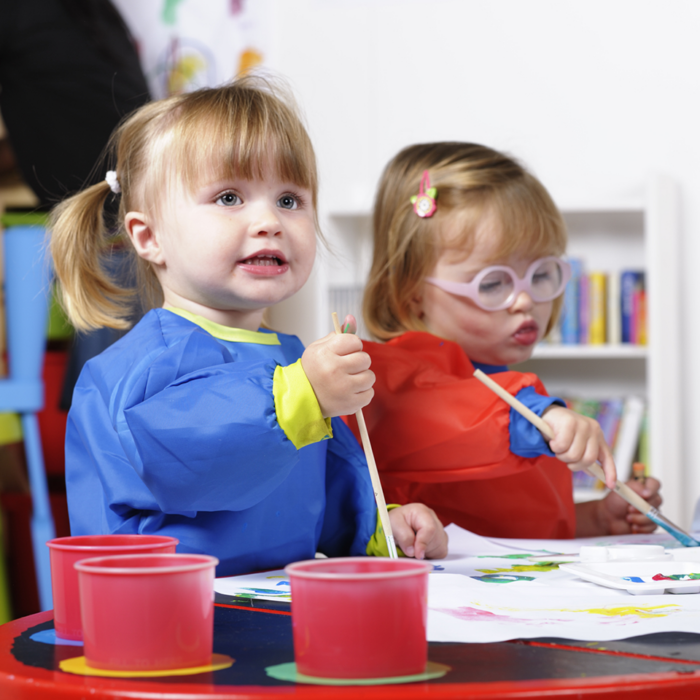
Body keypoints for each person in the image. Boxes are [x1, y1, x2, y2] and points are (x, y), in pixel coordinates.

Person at [48, 78, 448, 576]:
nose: (269, 221)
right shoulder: (145, 363)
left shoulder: (291, 360)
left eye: (289, 200)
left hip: (268, 608)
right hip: (161, 616)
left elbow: (329, 485)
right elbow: (197, 455)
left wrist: (384, 526)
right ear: (149, 237)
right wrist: (304, 394)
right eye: (230, 197)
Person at [349, 142, 661, 540]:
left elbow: (516, 525)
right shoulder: (390, 377)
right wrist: (534, 417)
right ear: (412, 295)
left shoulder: (510, 386)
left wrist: (599, 519)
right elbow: (445, 410)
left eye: (542, 273)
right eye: (493, 283)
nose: (526, 300)